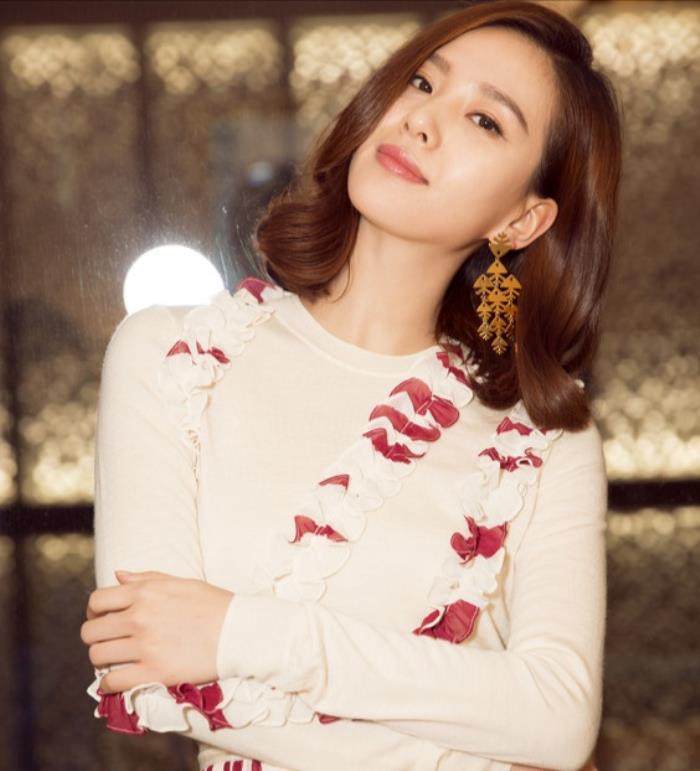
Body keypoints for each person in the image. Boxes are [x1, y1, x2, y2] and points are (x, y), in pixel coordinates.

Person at [79, 1, 622, 770]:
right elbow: (150, 683)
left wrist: (242, 631)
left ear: (522, 220)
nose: (423, 121)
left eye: (485, 120)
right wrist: (491, 732)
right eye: (423, 82)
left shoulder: (542, 439)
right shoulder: (173, 356)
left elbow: (558, 719)